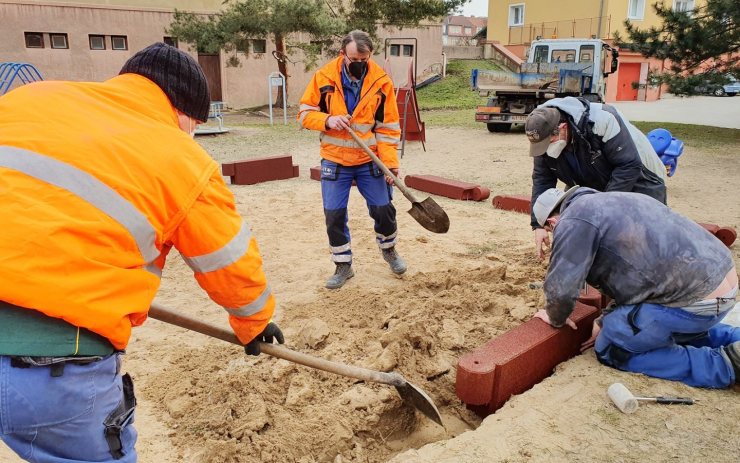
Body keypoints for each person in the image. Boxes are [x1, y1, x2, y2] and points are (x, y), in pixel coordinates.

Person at [0, 42, 284, 462]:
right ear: (183, 113)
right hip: (52, 370)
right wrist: (254, 323)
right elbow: (228, 261)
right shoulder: (182, 158)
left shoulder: (28, 99)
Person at [531, 186, 740, 388]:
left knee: (612, 347)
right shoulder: (616, 201)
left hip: (694, 299)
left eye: (550, 231)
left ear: (552, 221)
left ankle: (724, 365)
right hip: (723, 281)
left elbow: (563, 287)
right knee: (631, 325)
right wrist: (605, 319)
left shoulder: (573, 221)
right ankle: (734, 338)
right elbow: (636, 274)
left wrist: (555, 316)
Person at [297, 30, 405, 289]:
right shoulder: (324, 78)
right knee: (333, 214)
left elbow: (388, 127)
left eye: (364, 58)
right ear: (342, 54)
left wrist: (390, 164)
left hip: (369, 161)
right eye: (354, 58)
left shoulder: (381, 82)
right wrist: (328, 119)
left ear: (370, 55)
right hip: (334, 160)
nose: (359, 63)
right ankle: (343, 265)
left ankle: (389, 249)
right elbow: (303, 114)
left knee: (383, 208)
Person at [525, 96, 668, 259]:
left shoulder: (602, 121)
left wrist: (602, 208)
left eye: (549, 142)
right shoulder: (543, 138)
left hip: (641, 175)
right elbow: (542, 180)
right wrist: (539, 225)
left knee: (645, 236)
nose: (545, 149)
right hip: (592, 175)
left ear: (563, 128)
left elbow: (628, 166)